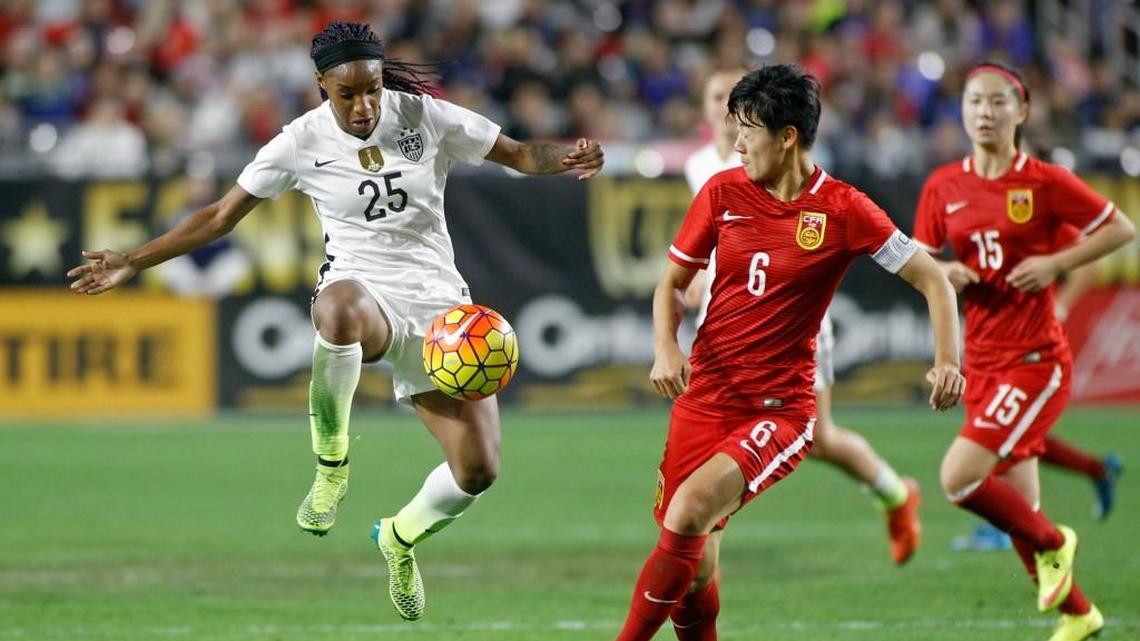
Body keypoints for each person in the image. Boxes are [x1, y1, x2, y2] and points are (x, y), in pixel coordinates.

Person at [67, 21, 604, 622]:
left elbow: (520, 154)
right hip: (365, 290)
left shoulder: (424, 116)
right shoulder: (300, 141)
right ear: (322, 84)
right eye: (348, 93)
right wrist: (135, 260)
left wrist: (567, 157)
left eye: (372, 89)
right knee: (337, 311)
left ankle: (399, 537)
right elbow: (220, 216)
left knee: (477, 472)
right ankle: (331, 464)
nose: (364, 105)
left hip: (442, 313)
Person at [612, 64, 965, 641]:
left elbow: (933, 279)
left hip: (777, 409)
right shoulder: (721, 191)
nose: (736, 142)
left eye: (748, 130)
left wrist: (948, 360)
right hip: (705, 395)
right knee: (695, 566)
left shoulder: (844, 209)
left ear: (787, 137)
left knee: (688, 512)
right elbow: (672, 282)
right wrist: (665, 347)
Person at [913, 61, 1134, 641]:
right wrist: (946, 272)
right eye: (975, 102)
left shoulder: (1044, 181)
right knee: (1019, 509)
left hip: (1034, 361)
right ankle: (1080, 615)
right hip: (983, 362)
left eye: (998, 102)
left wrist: (1056, 263)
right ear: (962, 110)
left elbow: (1121, 228)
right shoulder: (943, 185)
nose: (985, 112)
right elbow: (920, 263)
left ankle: (1058, 541)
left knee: (959, 477)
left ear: (1023, 112)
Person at [685, 67, 922, 568]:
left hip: (790, 325)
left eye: (731, 101)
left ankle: (896, 494)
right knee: (707, 447)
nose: (724, 111)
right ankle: (698, 551)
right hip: (726, 323)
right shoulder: (701, 166)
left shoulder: (791, 167)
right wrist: (698, 277)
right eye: (714, 98)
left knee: (818, 438)